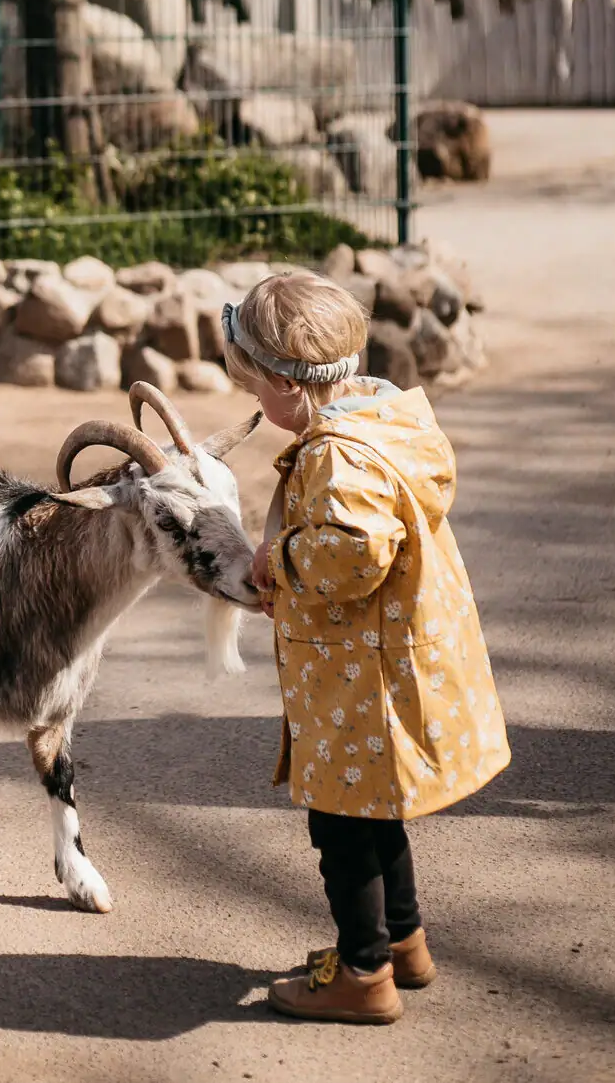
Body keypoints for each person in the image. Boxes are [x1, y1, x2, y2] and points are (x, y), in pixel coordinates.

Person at [221, 271, 511, 1025]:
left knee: (340, 825)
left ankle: (363, 971)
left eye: (258, 389)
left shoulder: (335, 455)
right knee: (374, 810)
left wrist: (279, 558)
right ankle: (404, 940)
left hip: (358, 679)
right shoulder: (388, 417)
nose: (256, 403)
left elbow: (355, 552)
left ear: (291, 384)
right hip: (374, 666)